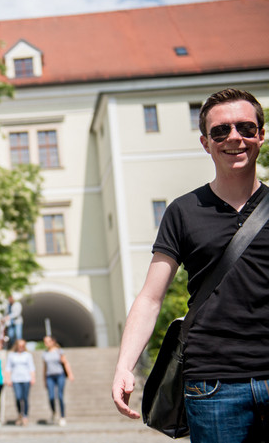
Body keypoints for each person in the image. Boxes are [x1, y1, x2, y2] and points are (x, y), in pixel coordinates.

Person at [112, 88, 269, 442]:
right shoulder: (183, 211)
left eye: (245, 127)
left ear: (260, 135)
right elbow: (151, 298)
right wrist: (124, 365)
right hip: (212, 385)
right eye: (220, 131)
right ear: (205, 142)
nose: (234, 137)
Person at [43, 335, 73, 426]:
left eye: (48, 341)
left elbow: (65, 362)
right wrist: (44, 379)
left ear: (52, 342)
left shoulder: (59, 351)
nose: (46, 343)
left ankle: (62, 416)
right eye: (45, 341)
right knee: (51, 397)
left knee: (60, 396)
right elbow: (45, 367)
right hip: (49, 376)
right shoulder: (45, 353)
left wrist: (70, 373)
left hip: (60, 375)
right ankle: (54, 412)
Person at [5, 339, 35, 426]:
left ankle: (25, 416)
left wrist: (33, 378)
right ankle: (19, 414)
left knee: (25, 398)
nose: (21, 347)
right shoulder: (11, 355)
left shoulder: (28, 355)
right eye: (20, 345)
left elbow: (31, 367)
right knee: (18, 397)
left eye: (23, 345)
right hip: (15, 379)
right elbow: (8, 367)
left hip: (26, 378)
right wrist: (8, 378)